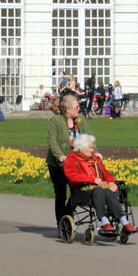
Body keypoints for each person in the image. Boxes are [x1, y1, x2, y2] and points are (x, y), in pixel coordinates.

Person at [64, 133, 138, 235]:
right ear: (81, 148)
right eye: (90, 148)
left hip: (101, 185)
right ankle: (104, 221)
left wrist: (111, 182)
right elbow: (71, 177)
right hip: (83, 188)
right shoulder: (71, 160)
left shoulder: (95, 159)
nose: (92, 150)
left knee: (109, 189)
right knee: (99, 190)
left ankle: (124, 222)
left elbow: (106, 173)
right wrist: (92, 179)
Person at [46, 91, 93, 229]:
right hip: (58, 165)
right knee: (61, 193)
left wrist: (95, 153)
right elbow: (52, 141)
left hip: (76, 164)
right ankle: (62, 223)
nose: (79, 109)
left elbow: (88, 137)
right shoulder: (56, 121)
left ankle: (67, 215)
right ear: (67, 110)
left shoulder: (80, 120)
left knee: (79, 190)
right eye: (76, 107)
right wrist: (60, 155)